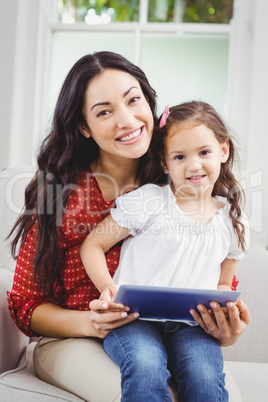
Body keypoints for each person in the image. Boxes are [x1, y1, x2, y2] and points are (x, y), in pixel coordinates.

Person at [7, 52, 250, 402]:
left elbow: (213, 278)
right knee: (142, 386)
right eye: (104, 111)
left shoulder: (183, 181)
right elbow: (27, 305)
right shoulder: (61, 194)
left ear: (149, 103)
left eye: (133, 100)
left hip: (177, 334)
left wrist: (226, 329)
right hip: (77, 339)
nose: (126, 120)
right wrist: (90, 323)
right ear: (83, 127)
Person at [80, 101, 249, 401]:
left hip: (193, 327)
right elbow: (93, 244)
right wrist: (108, 289)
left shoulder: (232, 220)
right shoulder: (149, 202)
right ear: (164, 163)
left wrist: (225, 311)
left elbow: (224, 282)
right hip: (133, 320)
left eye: (204, 152)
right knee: (146, 367)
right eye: (180, 157)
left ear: (223, 151)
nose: (194, 165)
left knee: (206, 379)